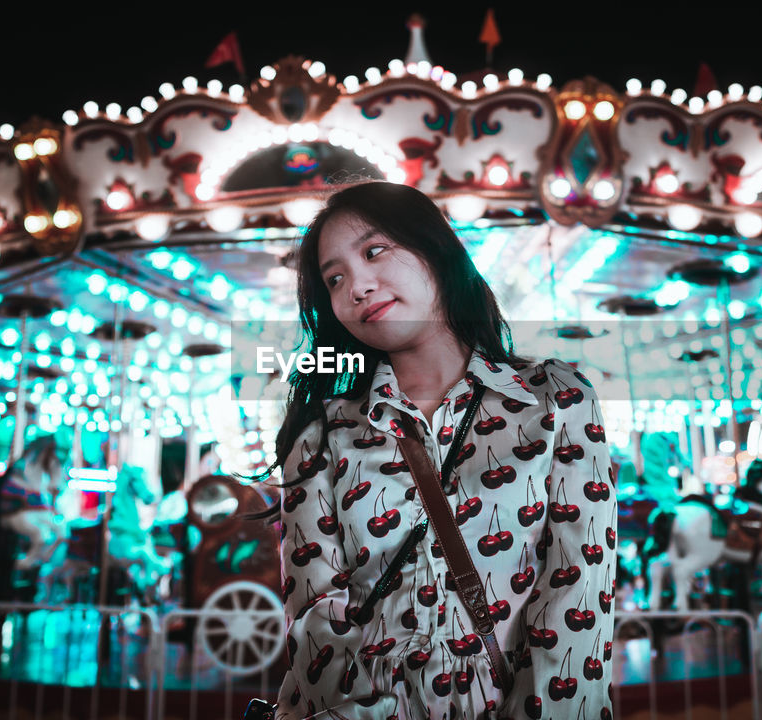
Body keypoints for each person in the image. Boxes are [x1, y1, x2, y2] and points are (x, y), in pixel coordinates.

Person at [263, 182, 616, 720]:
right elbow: (316, 614)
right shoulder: (322, 433)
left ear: (436, 247)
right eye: (335, 278)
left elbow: (579, 590)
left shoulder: (556, 400)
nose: (356, 285)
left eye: (374, 251)